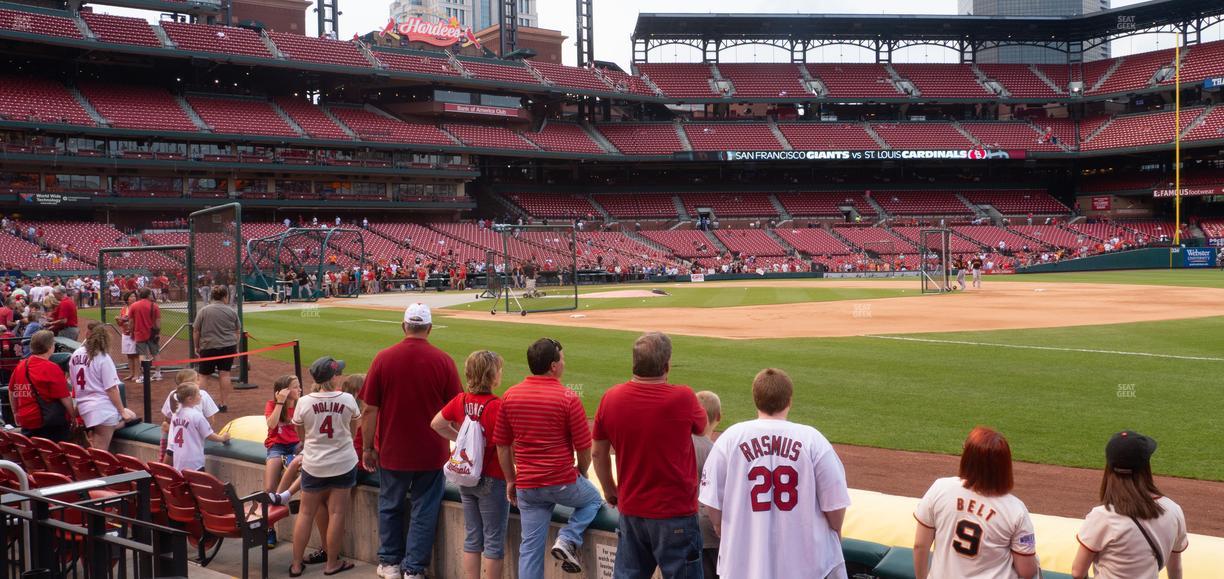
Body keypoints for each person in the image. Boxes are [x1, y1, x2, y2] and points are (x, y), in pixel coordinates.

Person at [699, 368, 851, 579]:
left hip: (744, 565)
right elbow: (835, 509)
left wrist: (721, 527)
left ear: (755, 399)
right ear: (789, 400)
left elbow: (712, 505)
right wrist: (834, 530)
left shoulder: (730, 438)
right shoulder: (813, 440)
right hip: (807, 565)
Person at [358, 304, 462, 579]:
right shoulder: (444, 360)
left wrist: (367, 447)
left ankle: (391, 564)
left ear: (404, 326)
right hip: (432, 452)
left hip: (392, 450)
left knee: (390, 505)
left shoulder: (383, 358)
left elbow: (369, 410)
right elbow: (458, 410)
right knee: (424, 509)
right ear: (429, 328)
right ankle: (414, 569)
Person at [592, 332, 707, 578]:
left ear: (634, 364)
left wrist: (611, 490)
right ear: (666, 366)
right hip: (675, 513)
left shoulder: (610, 398)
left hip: (632, 509)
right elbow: (701, 426)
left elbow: (598, 454)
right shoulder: (684, 396)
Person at [493, 338, 604, 578]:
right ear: (553, 366)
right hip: (562, 481)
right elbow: (584, 448)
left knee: (530, 550)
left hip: (528, 487)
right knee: (594, 499)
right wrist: (581, 471)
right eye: (562, 359)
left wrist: (511, 480)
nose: (564, 364)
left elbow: (502, 446)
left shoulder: (510, 395)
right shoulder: (568, 397)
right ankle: (568, 538)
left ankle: (566, 540)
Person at [913, 426, 1039, 579]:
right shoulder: (1015, 509)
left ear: (968, 459)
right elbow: (1027, 572)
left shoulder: (940, 488)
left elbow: (920, 546)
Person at [431, 351, 508, 579]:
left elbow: (436, 424)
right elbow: (505, 447)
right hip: (493, 477)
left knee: (473, 537)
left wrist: (461, 439)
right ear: (492, 375)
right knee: (494, 540)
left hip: (466, 475)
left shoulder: (460, 400)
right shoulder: (498, 406)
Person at [1071, 431, 1188, 579]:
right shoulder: (1173, 510)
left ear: (1109, 468)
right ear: (1146, 468)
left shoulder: (1102, 515)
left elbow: (1077, 572)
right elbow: (1175, 568)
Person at [289, 357, 361, 576]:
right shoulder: (348, 398)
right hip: (343, 462)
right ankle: (331, 564)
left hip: (314, 463)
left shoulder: (304, 401)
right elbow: (353, 430)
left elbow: (300, 435)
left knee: (305, 512)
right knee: (337, 513)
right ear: (333, 377)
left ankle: (296, 564)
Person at [68, 323, 138, 451]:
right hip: (102, 410)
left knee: (130, 415)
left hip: (84, 407)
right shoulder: (103, 358)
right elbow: (111, 389)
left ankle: (90, 432)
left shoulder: (76, 354)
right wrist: (121, 411)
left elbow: (74, 383)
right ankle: (93, 437)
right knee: (100, 452)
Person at [7, 330, 77, 441]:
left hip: (26, 421)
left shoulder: (21, 365)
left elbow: (11, 391)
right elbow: (65, 398)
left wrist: (16, 412)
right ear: (49, 347)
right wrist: (73, 416)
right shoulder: (51, 367)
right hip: (48, 423)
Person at [264, 374, 302, 548]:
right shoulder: (272, 404)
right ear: (284, 391)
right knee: (269, 488)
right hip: (276, 446)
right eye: (295, 387)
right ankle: (269, 529)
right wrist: (280, 402)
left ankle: (283, 498)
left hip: (296, 446)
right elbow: (272, 425)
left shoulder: (302, 404)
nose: (299, 389)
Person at [192, 285, 241, 410]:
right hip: (227, 346)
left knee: (203, 376)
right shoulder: (231, 311)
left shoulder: (204, 310)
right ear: (225, 297)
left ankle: (200, 406)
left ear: (212, 296)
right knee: (224, 374)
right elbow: (237, 331)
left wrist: (196, 347)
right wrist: (235, 346)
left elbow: (196, 331)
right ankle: (223, 404)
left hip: (208, 346)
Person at [160, 369, 221, 463]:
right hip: (192, 447)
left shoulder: (173, 394)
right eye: (197, 379)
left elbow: (167, 419)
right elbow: (211, 420)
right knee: (193, 474)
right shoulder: (202, 394)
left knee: (166, 473)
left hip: (174, 443)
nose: (199, 381)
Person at [166, 382, 230, 471]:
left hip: (179, 459)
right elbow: (209, 435)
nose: (201, 396)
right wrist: (222, 438)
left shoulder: (176, 414)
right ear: (190, 399)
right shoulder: (196, 416)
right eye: (198, 394)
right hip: (194, 461)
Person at [692, 391, 722, 579]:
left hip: (681, 525)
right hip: (710, 531)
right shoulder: (715, 452)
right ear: (718, 417)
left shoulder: (676, 444)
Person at [128, 288, 162, 382]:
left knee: (142, 354)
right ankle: (158, 373)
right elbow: (158, 321)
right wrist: (158, 332)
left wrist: (131, 331)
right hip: (152, 333)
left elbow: (131, 321)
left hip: (139, 333)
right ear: (148, 295)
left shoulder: (134, 306)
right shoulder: (154, 305)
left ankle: (144, 375)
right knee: (155, 353)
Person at [116, 292, 140, 381]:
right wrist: (118, 320)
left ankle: (137, 374)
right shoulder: (124, 309)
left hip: (134, 334)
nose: (133, 298)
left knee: (135, 355)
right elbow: (120, 324)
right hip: (125, 334)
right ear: (127, 299)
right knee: (129, 355)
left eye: (134, 296)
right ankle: (131, 373)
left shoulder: (137, 308)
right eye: (131, 296)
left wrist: (126, 320)